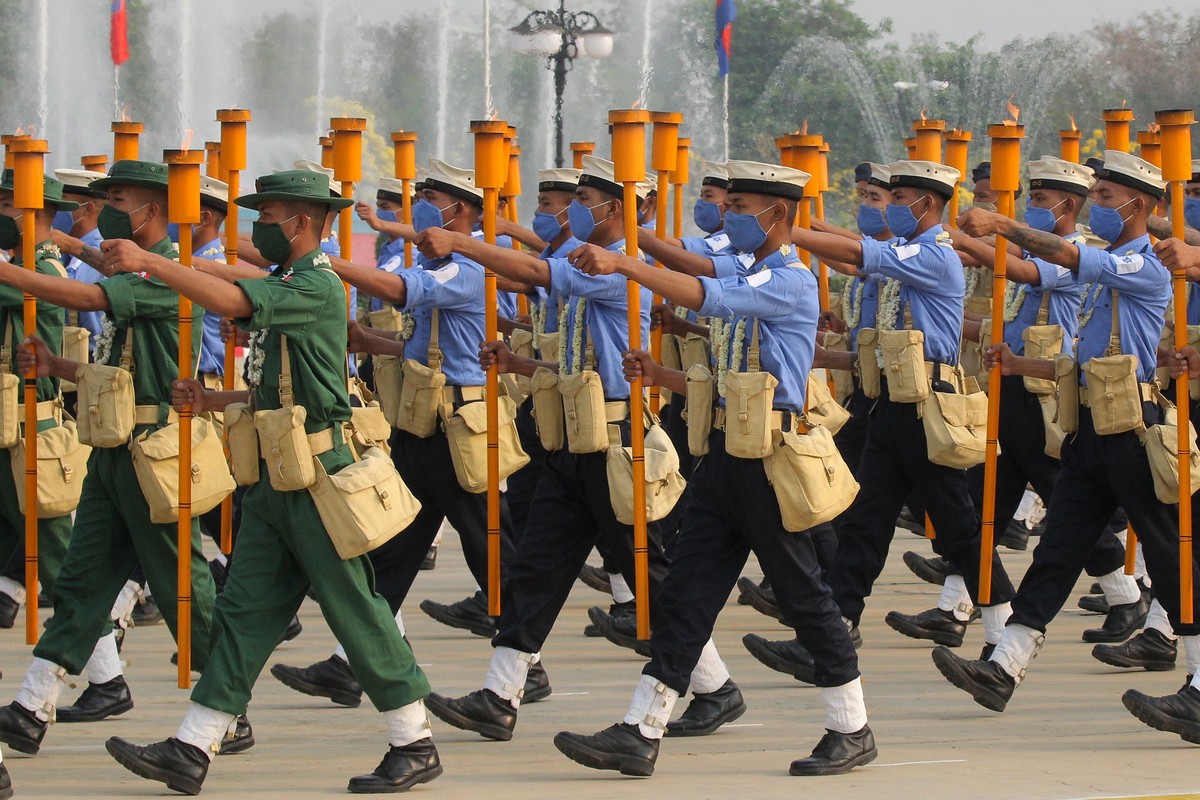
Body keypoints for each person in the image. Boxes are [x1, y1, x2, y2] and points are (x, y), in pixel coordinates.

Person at [101, 168, 442, 794]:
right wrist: (216, 400)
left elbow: (234, 301)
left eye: (269, 216)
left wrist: (154, 263)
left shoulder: (319, 284)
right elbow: (270, 370)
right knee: (243, 613)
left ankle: (413, 738)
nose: (259, 227)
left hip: (317, 480)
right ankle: (194, 743)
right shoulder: (288, 279)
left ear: (303, 223)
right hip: (280, 480)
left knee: (352, 608)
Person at [553, 159, 876, 777]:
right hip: (726, 458)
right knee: (686, 592)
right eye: (725, 207)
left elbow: (706, 291)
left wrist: (624, 262)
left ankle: (851, 725)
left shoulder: (791, 280)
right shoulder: (750, 265)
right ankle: (641, 728)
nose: (726, 217)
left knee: (805, 596)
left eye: (739, 209)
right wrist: (631, 236)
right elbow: (697, 266)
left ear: (776, 215)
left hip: (771, 462)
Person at [413, 155, 741, 741]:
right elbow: (574, 348)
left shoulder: (626, 269)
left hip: (617, 443)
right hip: (574, 438)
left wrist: (464, 245)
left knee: (650, 573)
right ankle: (500, 691)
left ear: (618, 208)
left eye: (586, 200)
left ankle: (714, 686)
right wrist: (524, 363)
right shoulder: (582, 260)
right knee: (538, 566)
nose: (575, 211)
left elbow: (537, 276)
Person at [930, 151, 1200, 729]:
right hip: (1091, 433)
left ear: (1141, 207)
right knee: (1058, 550)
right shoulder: (1108, 265)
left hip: (1133, 432)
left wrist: (1003, 226)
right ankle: (1005, 664)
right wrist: (1025, 364)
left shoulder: (1144, 266)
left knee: (1167, 553)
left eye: (1105, 199)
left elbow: (1066, 255)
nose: (1095, 207)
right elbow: (1086, 361)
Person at [0, 159, 217, 755]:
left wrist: (7, 270)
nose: (108, 209)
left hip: (155, 452)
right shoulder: (144, 268)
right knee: (82, 580)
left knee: (184, 589)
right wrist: (58, 367)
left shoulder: (171, 271)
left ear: (152, 208)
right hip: (115, 449)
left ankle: (226, 703)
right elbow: (116, 365)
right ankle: (32, 702)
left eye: (119, 198)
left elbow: (86, 294)